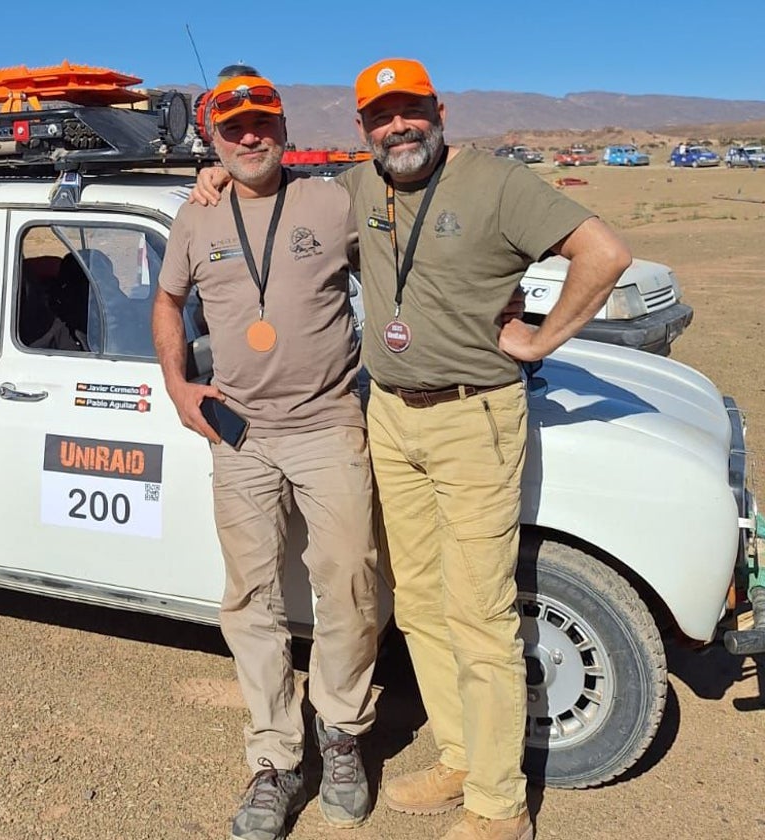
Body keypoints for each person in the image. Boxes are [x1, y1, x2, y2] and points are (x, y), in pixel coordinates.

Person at [191, 58, 631, 840]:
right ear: (362, 129)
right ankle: (461, 754)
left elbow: (603, 252)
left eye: (410, 111)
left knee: (480, 611)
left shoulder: (496, 183)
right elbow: (269, 196)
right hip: (389, 415)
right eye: (381, 116)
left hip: (473, 417)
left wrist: (541, 339)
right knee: (420, 602)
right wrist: (214, 179)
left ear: (439, 111)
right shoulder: (358, 189)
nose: (398, 127)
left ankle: (499, 805)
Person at [153, 74, 379, 840]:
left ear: (282, 126)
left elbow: (394, 250)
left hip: (327, 423)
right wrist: (179, 385)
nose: (249, 139)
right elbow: (167, 301)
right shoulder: (197, 212)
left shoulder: (332, 200)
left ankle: (341, 736)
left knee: (349, 582)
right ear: (211, 140)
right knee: (251, 597)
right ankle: (277, 759)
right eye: (233, 129)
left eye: (261, 124)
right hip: (240, 433)